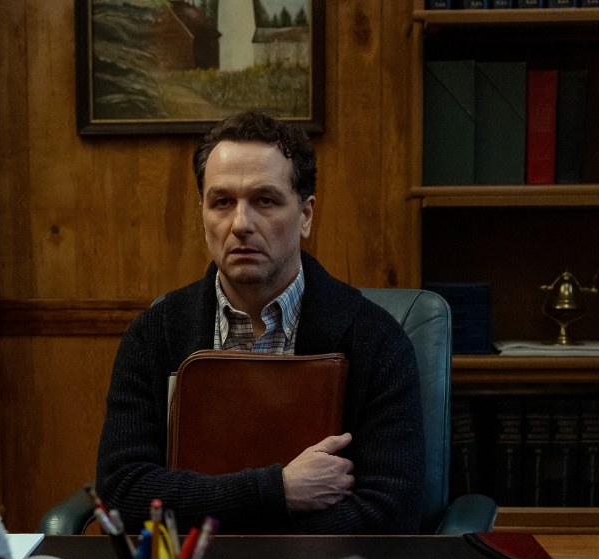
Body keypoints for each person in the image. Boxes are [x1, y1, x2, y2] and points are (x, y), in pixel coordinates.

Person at [94, 111, 424, 534]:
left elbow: (391, 512)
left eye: (265, 200)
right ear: (203, 214)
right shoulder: (154, 334)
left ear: (305, 215)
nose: (241, 224)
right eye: (222, 202)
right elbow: (122, 493)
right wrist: (278, 492)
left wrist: (218, 515)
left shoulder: (376, 338)